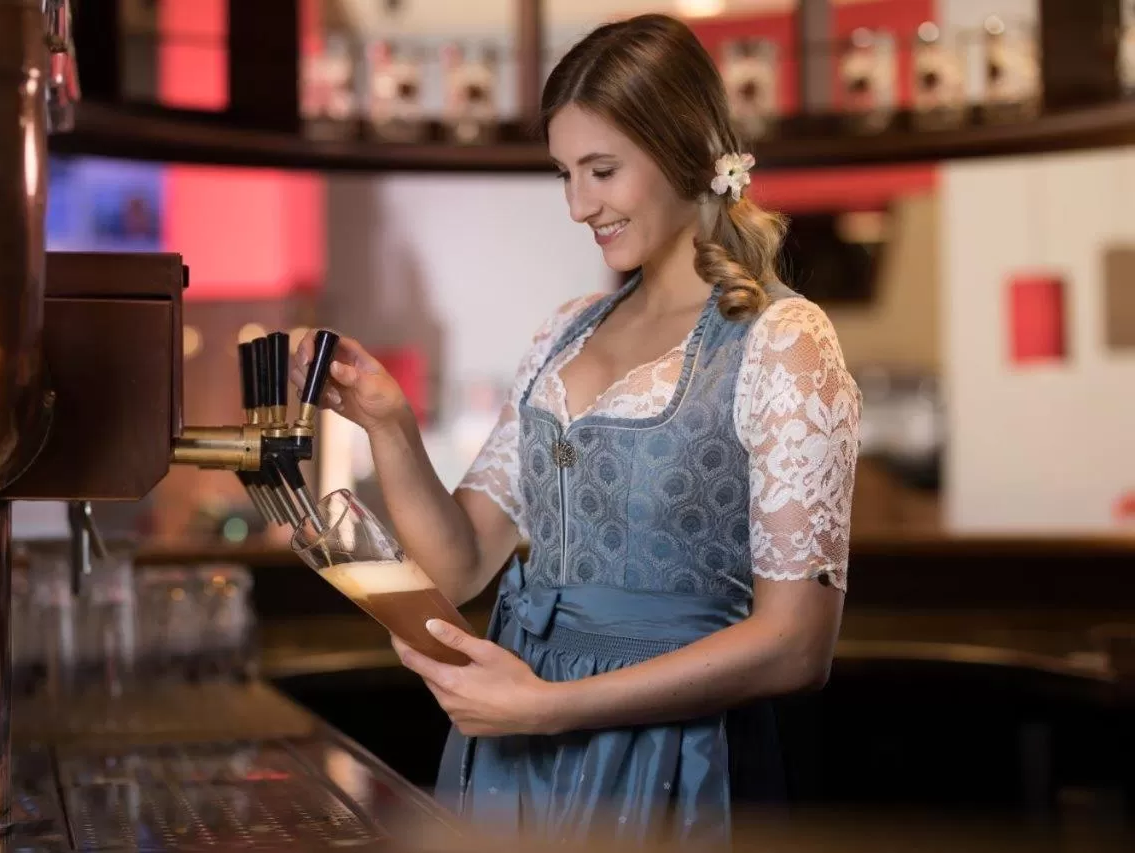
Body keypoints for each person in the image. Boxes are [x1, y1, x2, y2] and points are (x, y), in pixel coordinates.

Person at [290, 12, 861, 847]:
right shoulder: (565, 333)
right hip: (514, 754)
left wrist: (548, 705)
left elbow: (796, 645)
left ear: (688, 152)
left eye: (602, 170)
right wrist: (390, 423)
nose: (578, 205)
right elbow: (459, 561)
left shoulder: (782, 340)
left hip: (671, 763)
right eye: (564, 174)